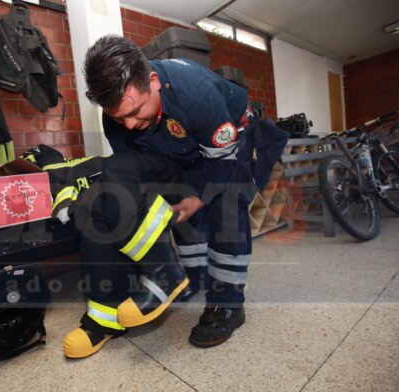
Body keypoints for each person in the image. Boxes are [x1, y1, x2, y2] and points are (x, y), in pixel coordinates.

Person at [64, 34, 262, 359]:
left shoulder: (194, 95)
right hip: (178, 153)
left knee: (225, 209)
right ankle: (188, 279)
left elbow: (222, 161)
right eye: (117, 118)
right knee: (143, 191)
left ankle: (228, 305)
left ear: (153, 81)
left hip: (227, 146)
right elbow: (141, 174)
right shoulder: (120, 116)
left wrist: (199, 197)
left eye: (135, 111)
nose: (128, 125)